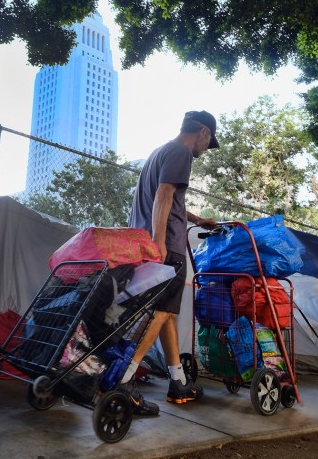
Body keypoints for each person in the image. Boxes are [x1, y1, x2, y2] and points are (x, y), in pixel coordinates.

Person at [120, 110, 220, 416]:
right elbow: (164, 194)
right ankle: (122, 379)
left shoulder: (160, 152)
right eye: (209, 142)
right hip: (167, 247)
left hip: (143, 242)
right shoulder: (181, 152)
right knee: (161, 312)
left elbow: (168, 199)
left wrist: (197, 219)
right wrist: (160, 242)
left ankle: (178, 382)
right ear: (202, 132)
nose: (206, 149)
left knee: (167, 313)